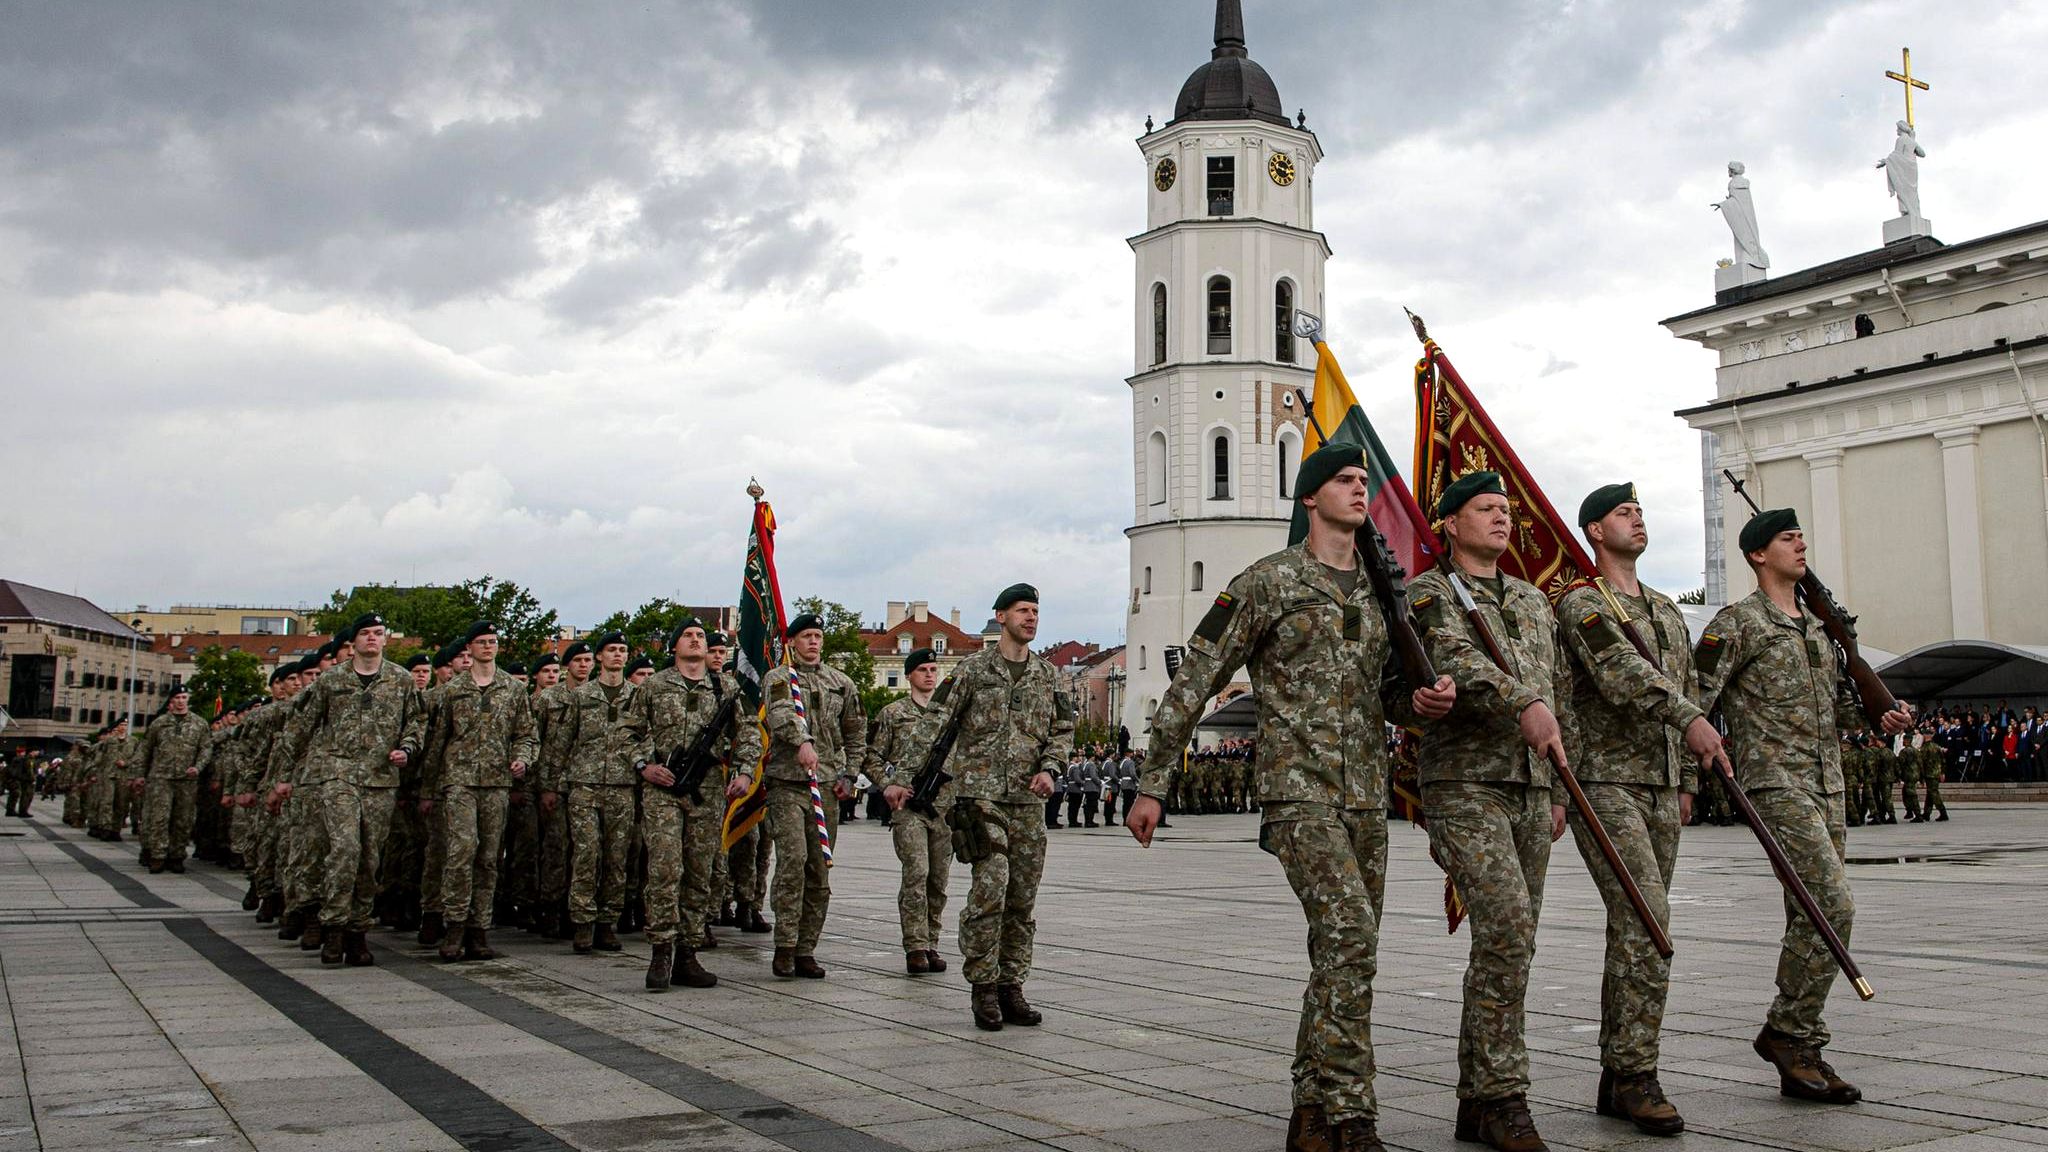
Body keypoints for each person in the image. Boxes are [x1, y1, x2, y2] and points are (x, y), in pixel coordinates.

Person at [1126, 443, 1455, 1152]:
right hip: (1297, 794)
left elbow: (1391, 695)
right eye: (1344, 480)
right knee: (1349, 938)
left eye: (1363, 480)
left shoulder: (1379, 590)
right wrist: (1155, 782)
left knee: (1341, 953)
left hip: (1366, 796)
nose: (1359, 490)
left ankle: (1309, 1112)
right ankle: (1351, 1112)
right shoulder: (1268, 582)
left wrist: (1422, 700)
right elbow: (1198, 678)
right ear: (1310, 497)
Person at [1696, 508, 1911, 1105]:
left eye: (1800, 537)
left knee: (1809, 914)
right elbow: (1697, 700)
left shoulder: (1819, 631)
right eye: (1787, 538)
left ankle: (1800, 1043)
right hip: (1774, 784)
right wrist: (1691, 778)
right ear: (1757, 555)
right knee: (1832, 904)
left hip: (1828, 783)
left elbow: (1834, 709)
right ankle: (1790, 1031)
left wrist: (1878, 714)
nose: (1800, 544)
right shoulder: (1737, 623)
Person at [1406, 471, 1573, 1152]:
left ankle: (1479, 1098)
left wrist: (1562, 784)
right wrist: (1520, 704)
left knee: (1516, 938)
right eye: (1485, 508)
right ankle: (1504, 1095)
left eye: (1506, 509)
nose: (1502, 518)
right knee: (1504, 922)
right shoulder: (1428, 593)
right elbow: (1453, 658)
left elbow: (1558, 690)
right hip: (1466, 781)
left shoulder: (1534, 601)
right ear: (1449, 522)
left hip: (1532, 785)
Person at [1555, 483, 1726, 1137]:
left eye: (1642, 511)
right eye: (1624, 513)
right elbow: (1621, 674)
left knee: (1635, 929)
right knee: (1649, 920)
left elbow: (1685, 688)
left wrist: (1686, 778)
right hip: (1604, 782)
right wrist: (1688, 722)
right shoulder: (1582, 604)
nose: (1638, 519)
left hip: (1658, 785)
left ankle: (1617, 1071)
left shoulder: (1663, 609)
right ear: (1596, 531)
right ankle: (1635, 1075)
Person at [898, 584, 1075, 1033]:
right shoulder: (973, 670)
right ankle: (982, 985)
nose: (1031, 618)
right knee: (990, 891)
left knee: (1022, 898)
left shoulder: (1047, 675)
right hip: (980, 797)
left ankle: (1011, 985)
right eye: (1022, 610)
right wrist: (903, 777)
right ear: (1001, 617)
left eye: (1036, 610)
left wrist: (1051, 768)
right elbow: (935, 723)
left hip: (1028, 802)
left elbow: (1063, 730)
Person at [270, 614, 425, 966]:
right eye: (366, 634)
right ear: (353, 642)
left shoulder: (400, 680)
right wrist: (284, 775)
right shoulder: (331, 680)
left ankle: (358, 930)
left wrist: (408, 747)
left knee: (369, 858)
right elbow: (301, 726)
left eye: (378, 634)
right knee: (344, 849)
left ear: (386, 640)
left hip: (381, 779)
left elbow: (417, 720)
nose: (372, 639)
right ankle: (334, 926)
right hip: (338, 776)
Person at [624, 618, 761, 991]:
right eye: (689, 635)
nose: (697, 640)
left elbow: (748, 732)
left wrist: (745, 773)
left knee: (700, 872)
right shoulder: (653, 685)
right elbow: (627, 731)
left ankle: (688, 951)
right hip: (663, 790)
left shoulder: (726, 687)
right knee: (665, 870)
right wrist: (645, 766)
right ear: (675, 646)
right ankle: (660, 951)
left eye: (701, 636)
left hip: (708, 791)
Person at [420, 620, 538, 962]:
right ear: (468, 649)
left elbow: (526, 735)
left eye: (493, 641)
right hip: (459, 781)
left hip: (497, 783)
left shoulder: (512, 690)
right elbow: (437, 742)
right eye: (482, 642)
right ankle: (454, 924)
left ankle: (479, 929)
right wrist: (428, 789)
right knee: (461, 852)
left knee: (488, 858)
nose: (488, 647)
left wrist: (522, 759)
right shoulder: (452, 691)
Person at [761, 612, 866, 978]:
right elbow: (781, 715)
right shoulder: (779, 679)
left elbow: (855, 732)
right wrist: (802, 742)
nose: (813, 642)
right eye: (806, 636)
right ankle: (785, 944)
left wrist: (850, 775)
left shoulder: (841, 683)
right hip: (788, 782)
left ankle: (807, 947)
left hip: (826, 787)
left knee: (819, 869)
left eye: (817, 636)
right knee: (792, 862)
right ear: (792, 642)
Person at [865, 647, 952, 975]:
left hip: (943, 806)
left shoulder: (947, 716)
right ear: (909, 676)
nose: (930, 675)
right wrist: (889, 783)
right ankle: (915, 945)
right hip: (909, 807)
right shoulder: (893, 713)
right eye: (923, 670)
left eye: (933, 669)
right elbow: (871, 754)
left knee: (938, 880)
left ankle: (932, 941)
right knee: (916, 872)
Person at [554, 632, 637, 954]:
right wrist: (554, 785)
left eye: (622, 650)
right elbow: (562, 742)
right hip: (584, 785)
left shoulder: (637, 696)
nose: (617, 655)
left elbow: (646, 741)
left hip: (622, 785)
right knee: (587, 854)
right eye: (611, 650)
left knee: (617, 857)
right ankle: (583, 922)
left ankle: (607, 921)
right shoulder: (582, 695)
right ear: (599, 657)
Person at [134, 686, 213, 873]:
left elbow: (206, 748)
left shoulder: (199, 724)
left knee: (183, 819)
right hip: (161, 778)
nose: (181, 701)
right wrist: (139, 775)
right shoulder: (159, 724)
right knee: (159, 818)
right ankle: (158, 855)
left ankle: (177, 855)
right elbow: (145, 750)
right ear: (171, 701)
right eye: (177, 697)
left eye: (184, 697)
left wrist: (198, 767)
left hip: (186, 779)